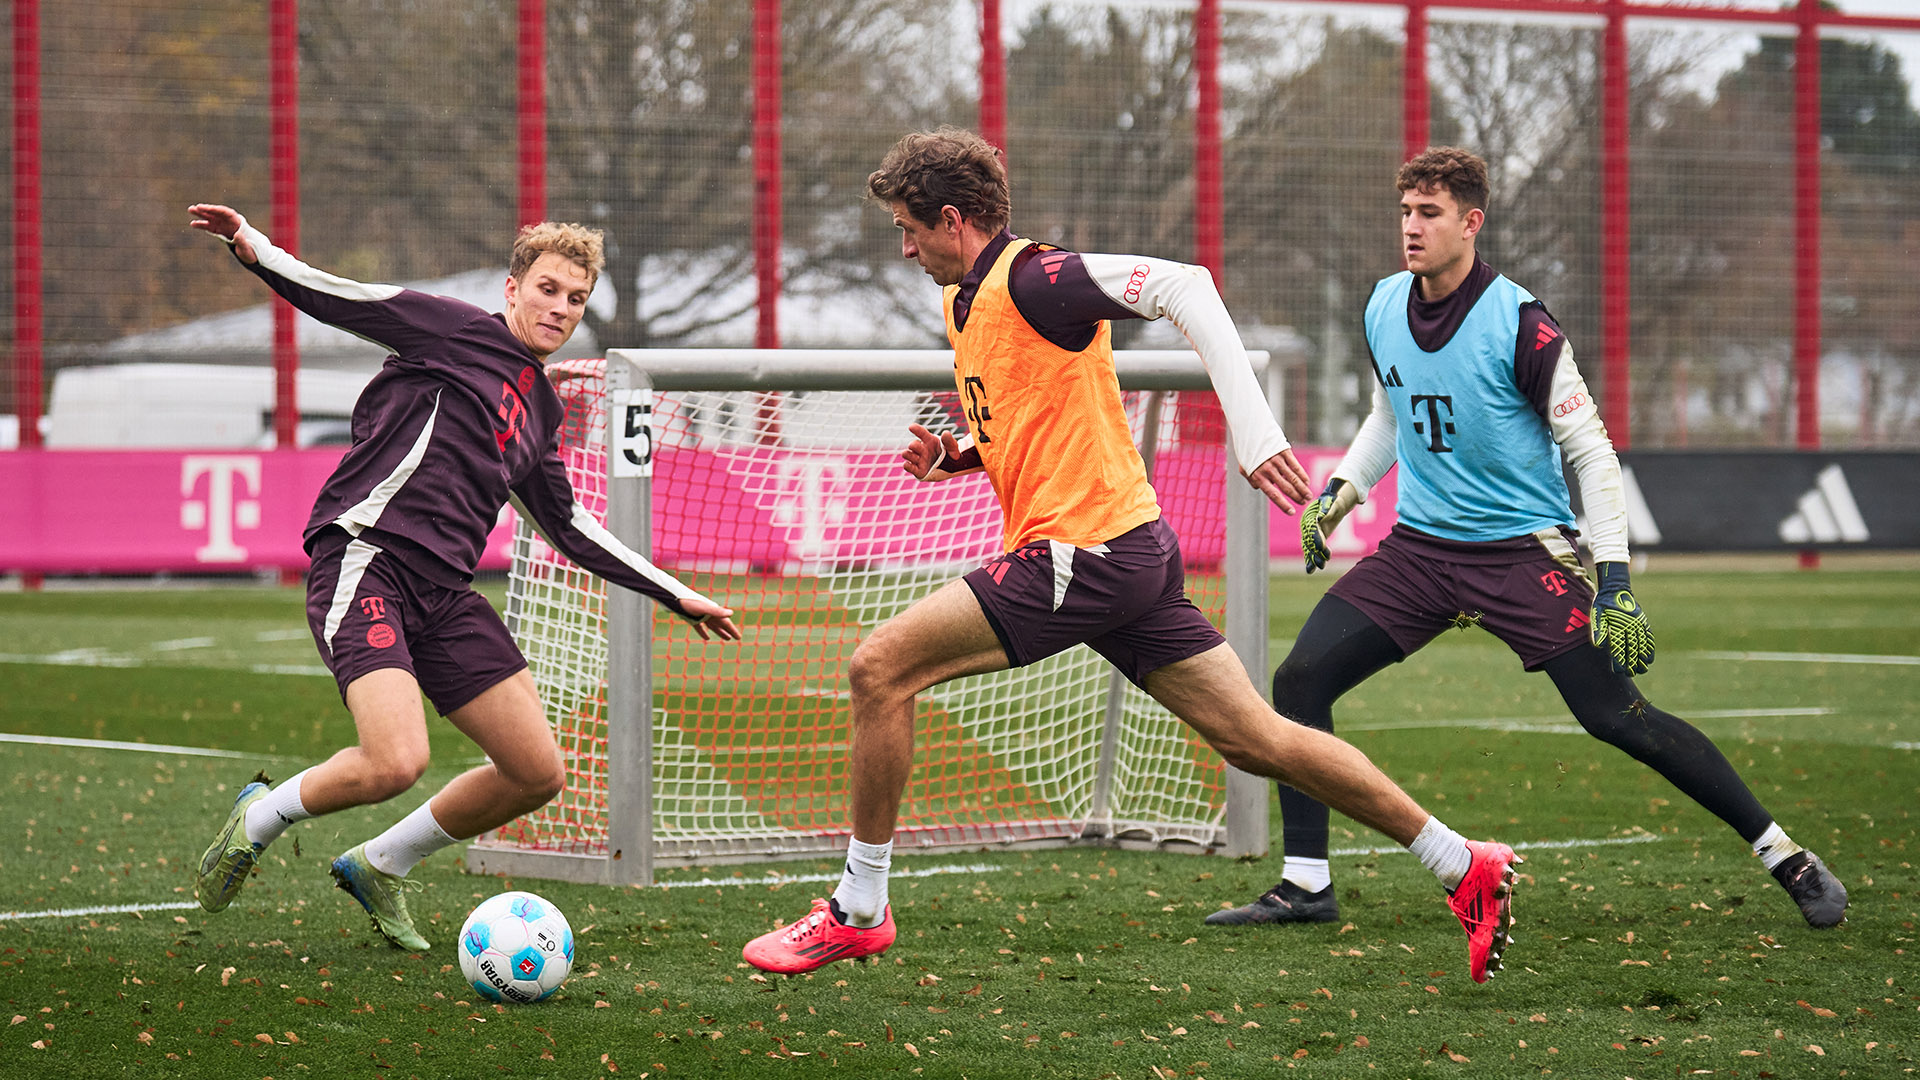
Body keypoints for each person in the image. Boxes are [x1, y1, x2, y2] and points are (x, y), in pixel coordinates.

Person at [741, 127, 1524, 983]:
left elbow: (1188, 286)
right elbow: (1036, 413)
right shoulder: (964, 297)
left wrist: (1255, 430)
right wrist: (961, 454)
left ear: (955, 219)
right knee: (1260, 738)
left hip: (1083, 556)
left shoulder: (1038, 275)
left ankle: (858, 908)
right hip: (1128, 554)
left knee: (878, 669)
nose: (904, 246)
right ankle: (1462, 862)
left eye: (909, 228)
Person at [1204, 147, 1847, 931]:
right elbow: (1391, 411)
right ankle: (1306, 886)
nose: (1411, 227)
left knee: (1618, 717)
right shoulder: (1380, 305)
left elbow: (1593, 453)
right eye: (1406, 210)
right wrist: (1346, 489)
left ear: (1472, 223)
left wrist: (1613, 579)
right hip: (1419, 554)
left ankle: (1787, 856)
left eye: (1430, 213)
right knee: (1300, 682)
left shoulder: (1521, 323)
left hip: (1521, 556)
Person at [188, 203, 741, 950]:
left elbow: (568, 524)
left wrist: (673, 592)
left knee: (535, 771)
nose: (559, 309)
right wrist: (252, 247)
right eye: (547, 289)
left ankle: (381, 863)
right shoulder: (451, 329)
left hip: (447, 593)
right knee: (396, 762)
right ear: (513, 288)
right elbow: (341, 295)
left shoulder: (543, 408)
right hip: (367, 555)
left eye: (575, 299)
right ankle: (259, 817)